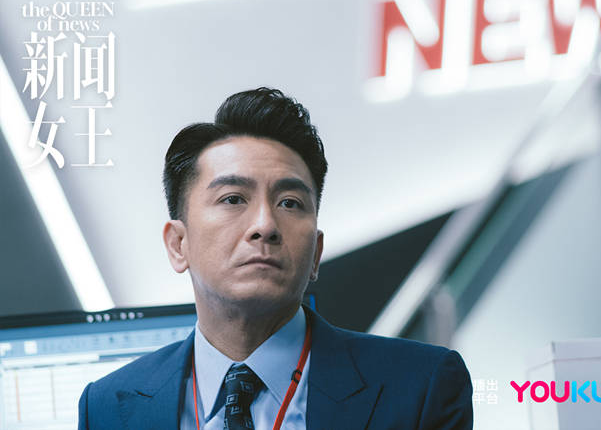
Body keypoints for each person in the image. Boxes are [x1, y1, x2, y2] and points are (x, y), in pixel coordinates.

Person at [77, 87, 473, 429]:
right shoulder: (108, 407)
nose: (265, 225)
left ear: (316, 253)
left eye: (290, 202)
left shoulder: (422, 386)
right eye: (233, 199)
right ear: (178, 245)